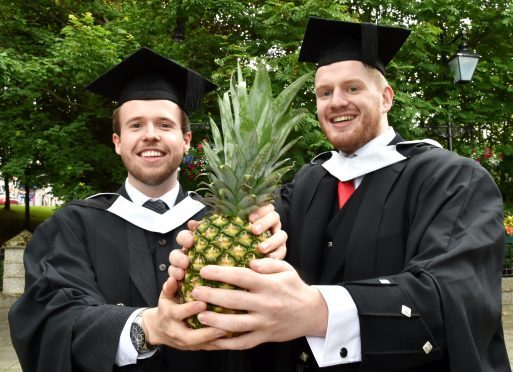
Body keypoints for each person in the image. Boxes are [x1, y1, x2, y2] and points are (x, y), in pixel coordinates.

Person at [170, 17, 510, 371]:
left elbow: (453, 295)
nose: (336, 102)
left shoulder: (453, 179)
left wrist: (317, 311)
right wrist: (216, 247)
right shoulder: (306, 184)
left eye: (352, 88)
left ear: (386, 97)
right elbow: (251, 246)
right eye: (324, 92)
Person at [8, 47, 286, 372]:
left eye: (165, 125)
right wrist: (147, 327)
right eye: (136, 125)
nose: (150, 135)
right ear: (117, 141)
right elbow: (49, 316)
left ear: (186, 140)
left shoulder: (226, 225)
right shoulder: (72, 225)